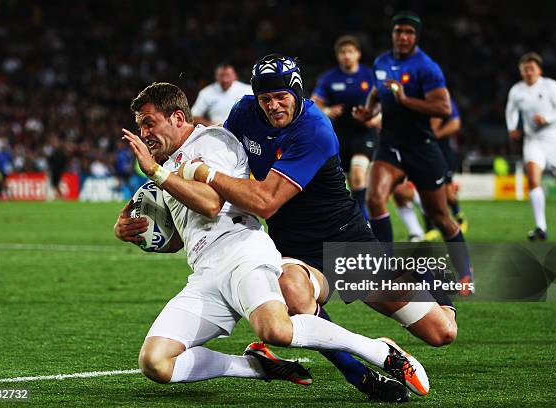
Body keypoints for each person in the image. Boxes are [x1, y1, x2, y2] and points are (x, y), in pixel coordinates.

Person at [115, 82, 428, 399]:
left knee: (276, 330)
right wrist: (136, 234)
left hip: (243, 255)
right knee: (155, 362)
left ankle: (378, 350)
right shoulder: (167, 167)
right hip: (205, 273)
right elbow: (181, 238)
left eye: (149, 122)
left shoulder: (211, 142)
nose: (143, 133)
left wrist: (155, 172)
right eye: (140, 125)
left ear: (178, 117)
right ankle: (257, 366)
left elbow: (210, 204)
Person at [178, 53, 458, 395]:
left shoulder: (314, 128)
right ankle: (361, 375)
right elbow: (218, 154)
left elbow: (265, 202)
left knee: (442, 333)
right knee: (293, 293)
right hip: (294, 248)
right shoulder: (243, 113)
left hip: (346, 243)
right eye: (265, 98)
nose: (273, 106)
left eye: (281, 97)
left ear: (297, 92)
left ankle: (429, 276)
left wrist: (205, 173)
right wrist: (165, 184)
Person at [352, 11, 474, 293]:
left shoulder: (427, 68)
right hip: (390, 144)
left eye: (409, 32)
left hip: (421, 147)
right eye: (399, 32)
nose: (403, 37)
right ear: (392, 34)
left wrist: (405, 99)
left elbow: (443, 108)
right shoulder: (382, 61)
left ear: (416, 37)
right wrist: (369, 109)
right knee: (374, 198)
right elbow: (376, 90)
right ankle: (387, 270)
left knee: (440, 215)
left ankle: (466, 274)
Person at [505, 52, 556, 241]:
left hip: (554, 139)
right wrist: (512, 128)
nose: (528, 72)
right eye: (525, 69)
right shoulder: (517, 91)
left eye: (531, 69)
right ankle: (540, 228)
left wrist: (547, 118)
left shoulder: (551, 86)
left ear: (539, 70)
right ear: (521, 71)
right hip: (532, 139)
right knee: (533, 179)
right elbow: (511, 110)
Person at [311, 35, 380, 219]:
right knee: (350, 182)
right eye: (343, 52)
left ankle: (364, 223)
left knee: (358, 174)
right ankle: (358, 222)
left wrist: (376, 118)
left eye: (350, 51)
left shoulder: (369, 75)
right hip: (340, 135)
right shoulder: (329, 78)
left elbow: (384, 101)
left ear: (357, 54)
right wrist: (326, 109)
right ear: (338, 56)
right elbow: (314, 103)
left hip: (365, 132)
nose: (346, 56)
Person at [394, 99, 468, 241]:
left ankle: (458, 216)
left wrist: (431, 136)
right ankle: (428, 227)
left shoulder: (442, 99)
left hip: (441, 152)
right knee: (410, 189)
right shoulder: (408, 99)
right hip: (415, 151)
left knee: (448, 193)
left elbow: (454, 124)